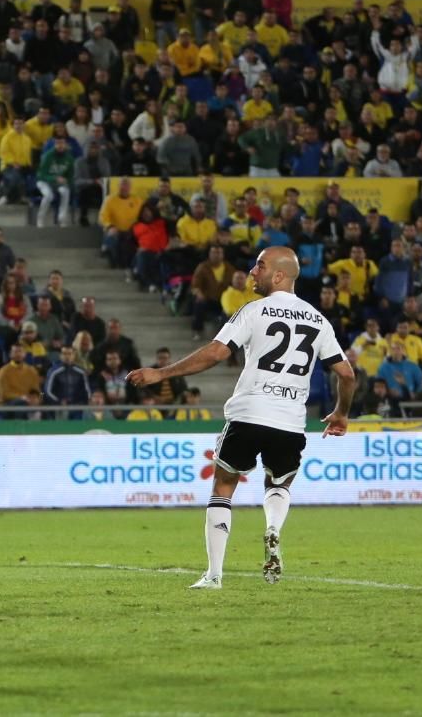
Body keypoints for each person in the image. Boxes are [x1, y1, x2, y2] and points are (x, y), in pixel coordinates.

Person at [128, 247, 355, 589]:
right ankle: (274, 529)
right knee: (279, 484)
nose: (252, 271)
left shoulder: (254, 311)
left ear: (278, 275)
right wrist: (341, 413)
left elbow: (217, 353)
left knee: (223, 486)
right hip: (290, 421)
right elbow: (347, 374)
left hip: (249, 414)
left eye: (260, 266)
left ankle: (214, 575)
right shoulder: (317, 320)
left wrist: (161, 374)